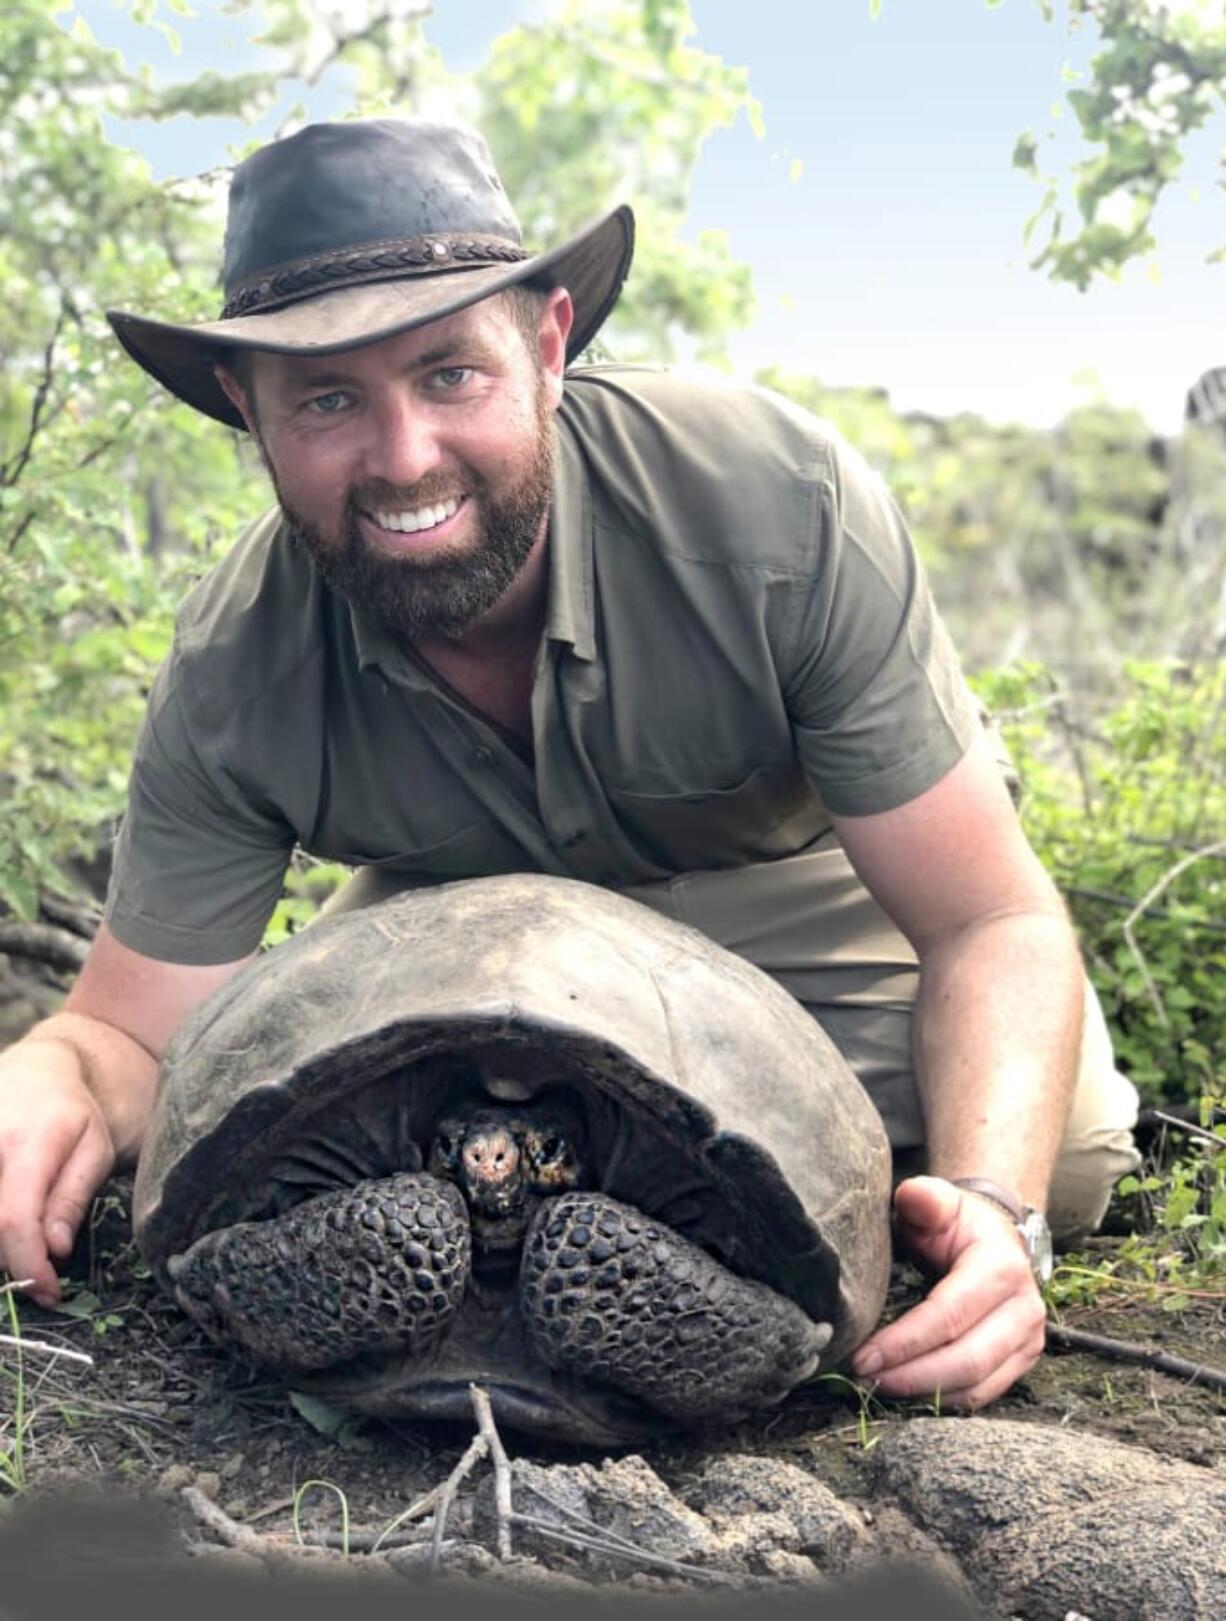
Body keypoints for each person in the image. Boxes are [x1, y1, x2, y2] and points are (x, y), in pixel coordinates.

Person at [0, 116, 1140, 1410]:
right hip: (451, 929)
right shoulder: (236, 663)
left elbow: (987, 918)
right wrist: (45, 1071)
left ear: (546, 347)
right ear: (244, 411)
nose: (404, 457)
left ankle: (659, 1214)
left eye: (447, 375)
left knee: (1069, 1153)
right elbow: (121, 1030)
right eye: (326, 399)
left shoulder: (770, 505)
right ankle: (510, 1198)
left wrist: (996, 1208)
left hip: (777, 883)